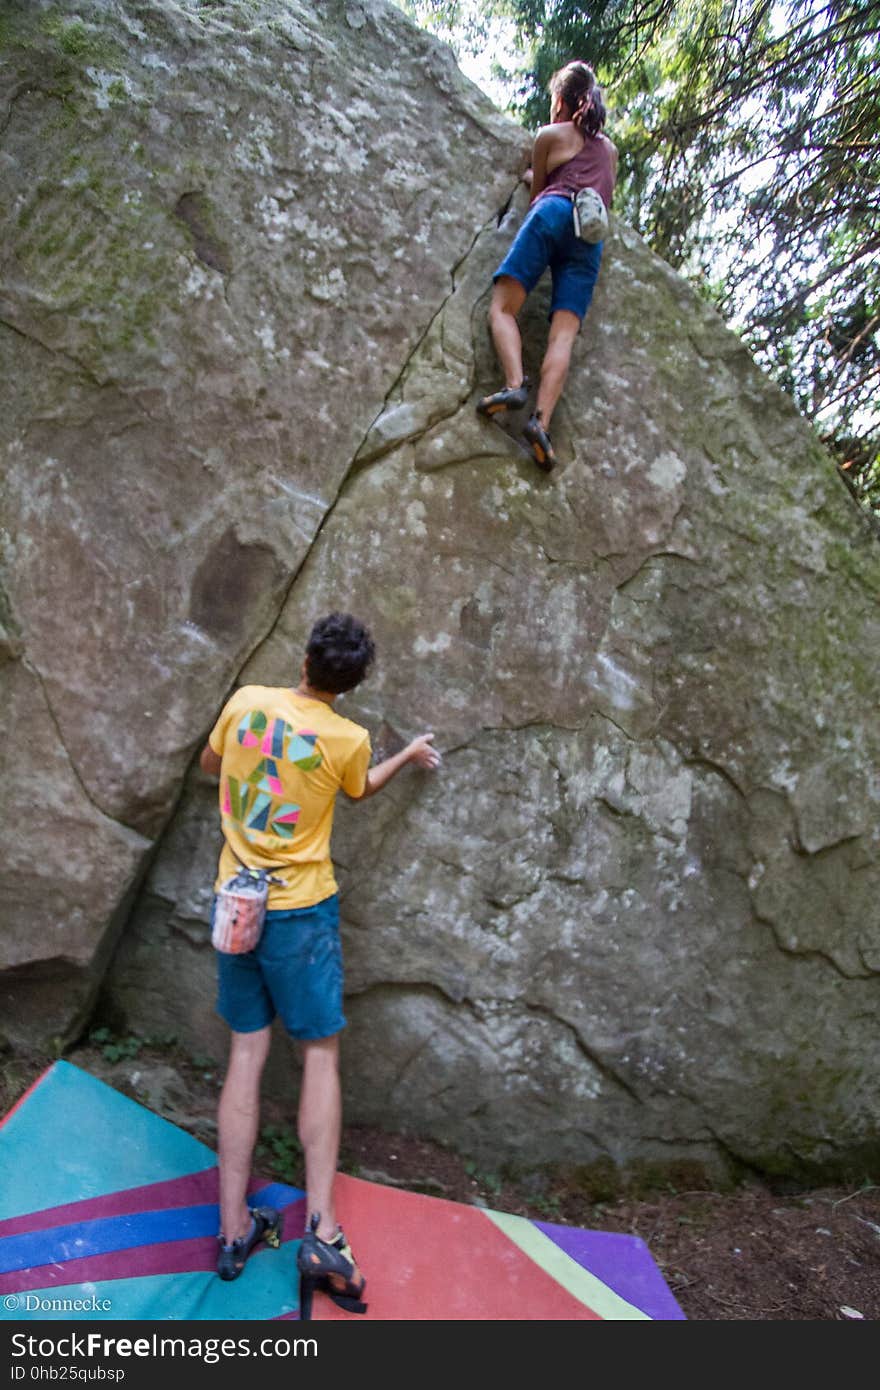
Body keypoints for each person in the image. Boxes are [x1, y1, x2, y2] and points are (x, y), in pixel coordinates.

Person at [198, 612, 441, 1314]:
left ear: (304, 658)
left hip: (236, 899)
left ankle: (233, 1228)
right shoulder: (346, 738)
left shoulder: (246, 703)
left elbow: (214, 767)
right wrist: (411, 753)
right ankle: (323, 1231)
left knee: (246, 1052)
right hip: (300, 911)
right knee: (320, 1058)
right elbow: (361, 788)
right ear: (354, 682)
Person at [477, 60, 618, 471]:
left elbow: (539, 191)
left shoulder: (550, 136)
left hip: (553, 212)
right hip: (589, 237)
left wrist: (531, 178)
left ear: (560, 100)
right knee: (563, 337)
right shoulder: (610, 152)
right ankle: (541, 423)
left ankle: (514, 385)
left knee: (502, 308)